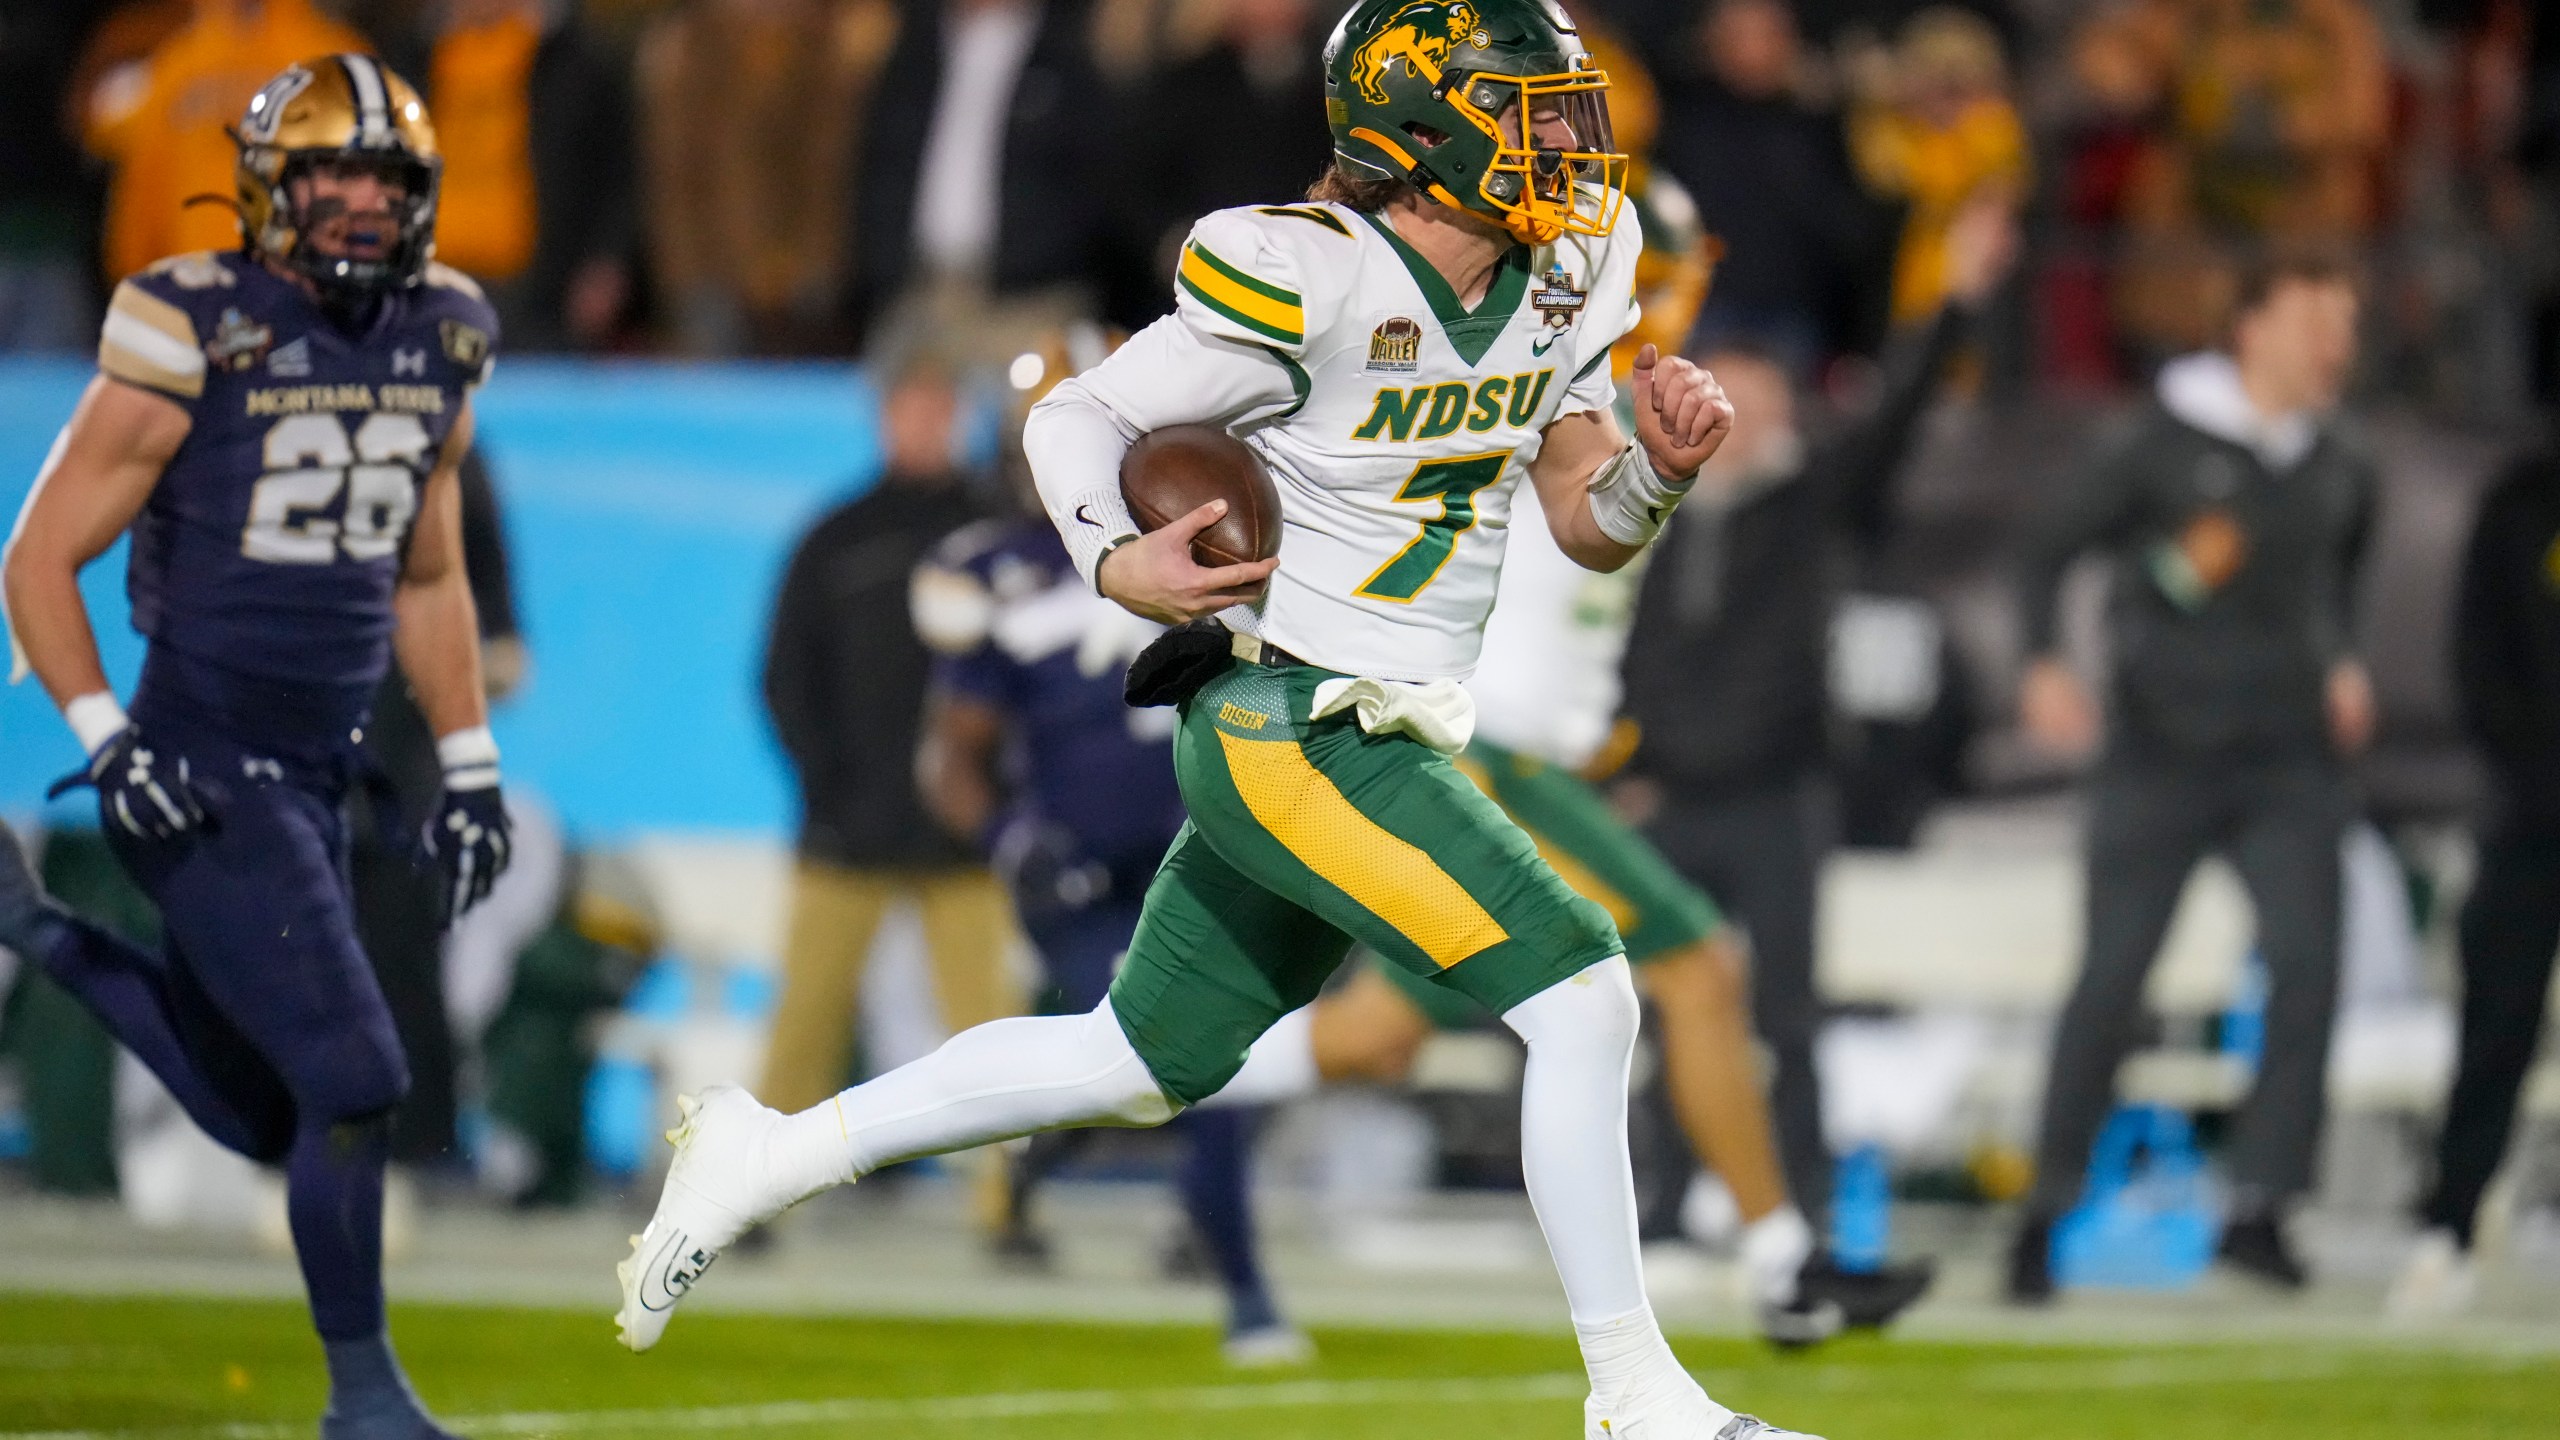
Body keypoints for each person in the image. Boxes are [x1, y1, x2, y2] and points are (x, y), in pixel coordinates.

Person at [619, 2, 1816, 1434]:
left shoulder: (1573, 264)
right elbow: (1078, 420)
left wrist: (1658, 477)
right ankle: (1637, 1397)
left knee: (1135, 1063)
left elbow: (1584, 515)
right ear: (1421, 124)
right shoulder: (1300, 270)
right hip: (1288, 722)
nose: (1568, 142)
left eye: (1566, 108)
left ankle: (771, 1151)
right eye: (1530, 111)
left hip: (1386, 726)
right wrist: (1117, 561)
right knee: (1584, 992)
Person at [0, 55, 508, 1438]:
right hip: (201, 752)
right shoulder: (193, 320)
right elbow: (40, 556)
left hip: (322, 760)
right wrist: (106, 739)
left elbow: (428, 576)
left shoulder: (443, 329)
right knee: (357, 1080)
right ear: (269, 186)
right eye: (329, 172)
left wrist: (469, 761)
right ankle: (367, 1402)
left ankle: (42, 938)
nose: (355, 201)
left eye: (383, 178)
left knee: (270, 1116)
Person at [1614, 195, 2017, 1240]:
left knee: (1787, 1020)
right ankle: (1659, 1211)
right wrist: (1621, 762)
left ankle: (1800, 1213)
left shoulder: (1811, 508)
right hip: (1667, 795)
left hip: (1775, 795)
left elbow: (1898, 413)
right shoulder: (1640, 510)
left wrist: (1954, 302)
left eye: (1755, 396)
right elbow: (1616, 653)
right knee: (1664, 1013)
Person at [2006, 253, 2375, 1302]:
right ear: (2252, 324)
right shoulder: (2157, 441)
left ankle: (2261, 1206)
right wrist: (2043, 660)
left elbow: (2338, 573)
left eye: (2342, 324)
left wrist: (2340, 659)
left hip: (2286, 759)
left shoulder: (2341, 459)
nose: (2334, 345)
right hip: (2159, 754)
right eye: (2316, 315)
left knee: (2309, 966)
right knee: (2113, 979)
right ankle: (2042, 1210)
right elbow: (2045, 545)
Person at [911, 465, 1310, 1365]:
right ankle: (1247, 1295)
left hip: (1200, 846)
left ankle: (1042, 1156)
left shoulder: (1197, 540)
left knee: (1155, 1060)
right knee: (1188, 1054)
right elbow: (950, 760)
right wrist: (1014, 841)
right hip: (1079, 873)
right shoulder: (992, 570)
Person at [755, 359, 1021, 1228]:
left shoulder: (994, 533)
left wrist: (997, 795)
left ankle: (1004, 1204)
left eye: (939, 406)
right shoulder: (838, 537)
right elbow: (784, 677)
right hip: (849, 830)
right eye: (911, 406)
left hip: (964, 839)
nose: (925, 423)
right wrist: (827, 787)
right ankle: (759, 1198)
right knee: (805, 1024)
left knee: (994, 1033)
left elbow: (1029, 678)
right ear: (883, 416)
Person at [2389, 442, 2560, 1317]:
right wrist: (2536, 778)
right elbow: (2479, 658)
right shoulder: (2522, 502)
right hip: (2533, 818)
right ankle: (2448, 1226)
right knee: (2495, 1030)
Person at [848, 0, 1114, 361]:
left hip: (1034, 301)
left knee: (1045, 406)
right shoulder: (911, 44)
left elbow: (1102, 185)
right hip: (919, 295)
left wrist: (1043, 260)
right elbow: (876, 170)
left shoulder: (1079, 48)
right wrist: (886, 272)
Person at [79, 0, 369, 287]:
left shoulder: (334, 58)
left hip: (300, 289)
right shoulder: (177, 62)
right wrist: (135, 272)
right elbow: (141, 171)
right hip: (194, 286)